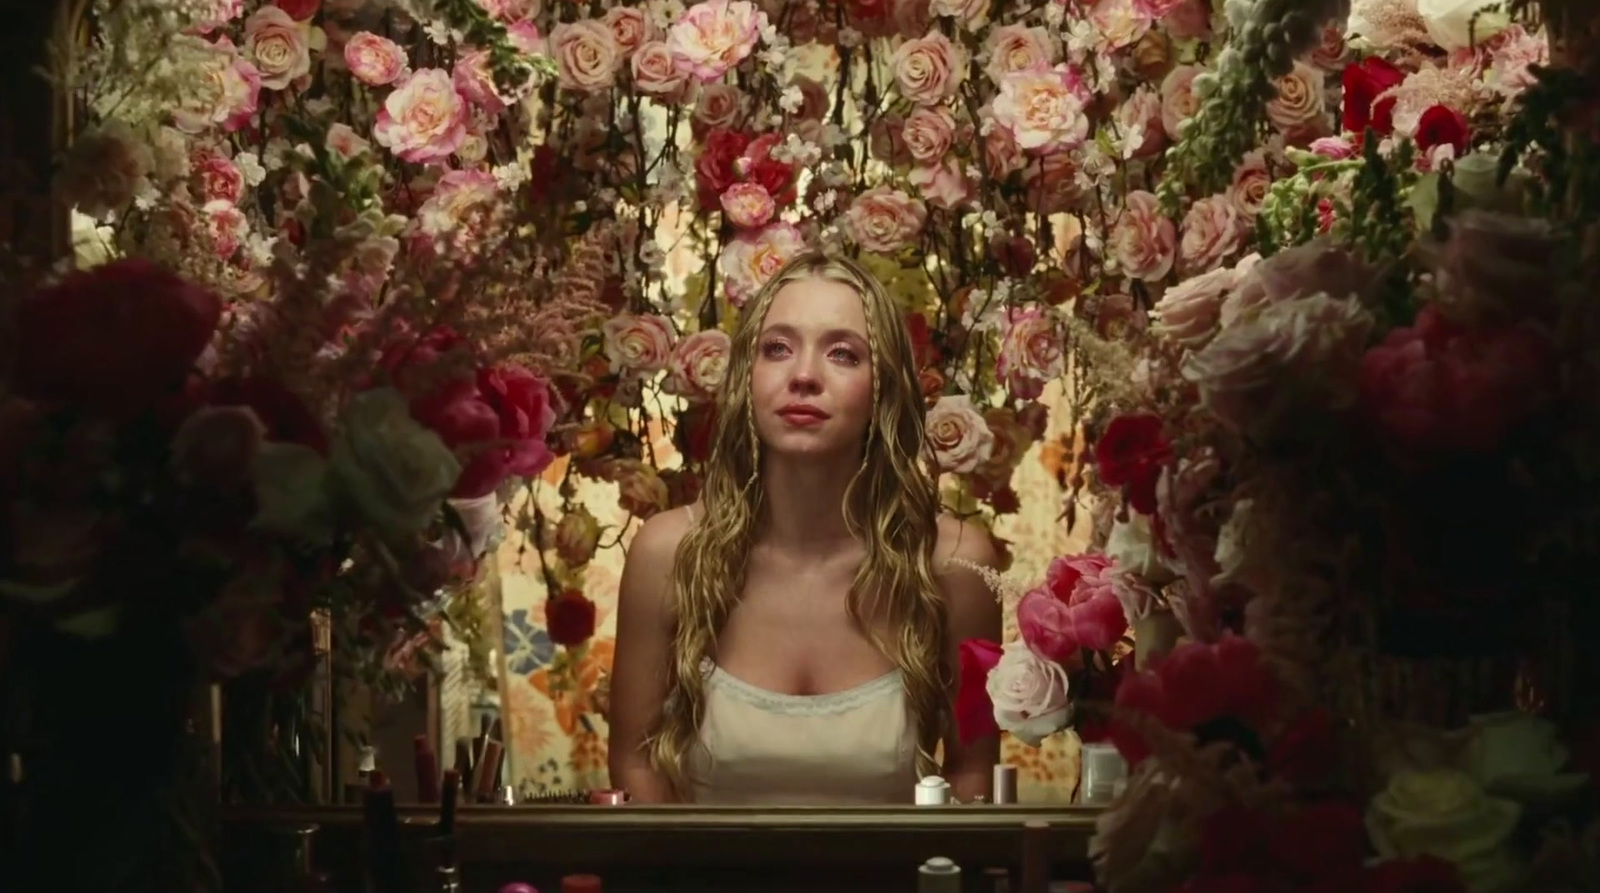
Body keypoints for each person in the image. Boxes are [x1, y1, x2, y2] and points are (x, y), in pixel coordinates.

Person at [607, 250, 1002, 804]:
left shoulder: (954, 565)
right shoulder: (669, 553)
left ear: (883, 386)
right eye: (777, 349)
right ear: (747, 377)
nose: (804, 376)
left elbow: (974, 778)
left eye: (843, 354)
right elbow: (634, 764)